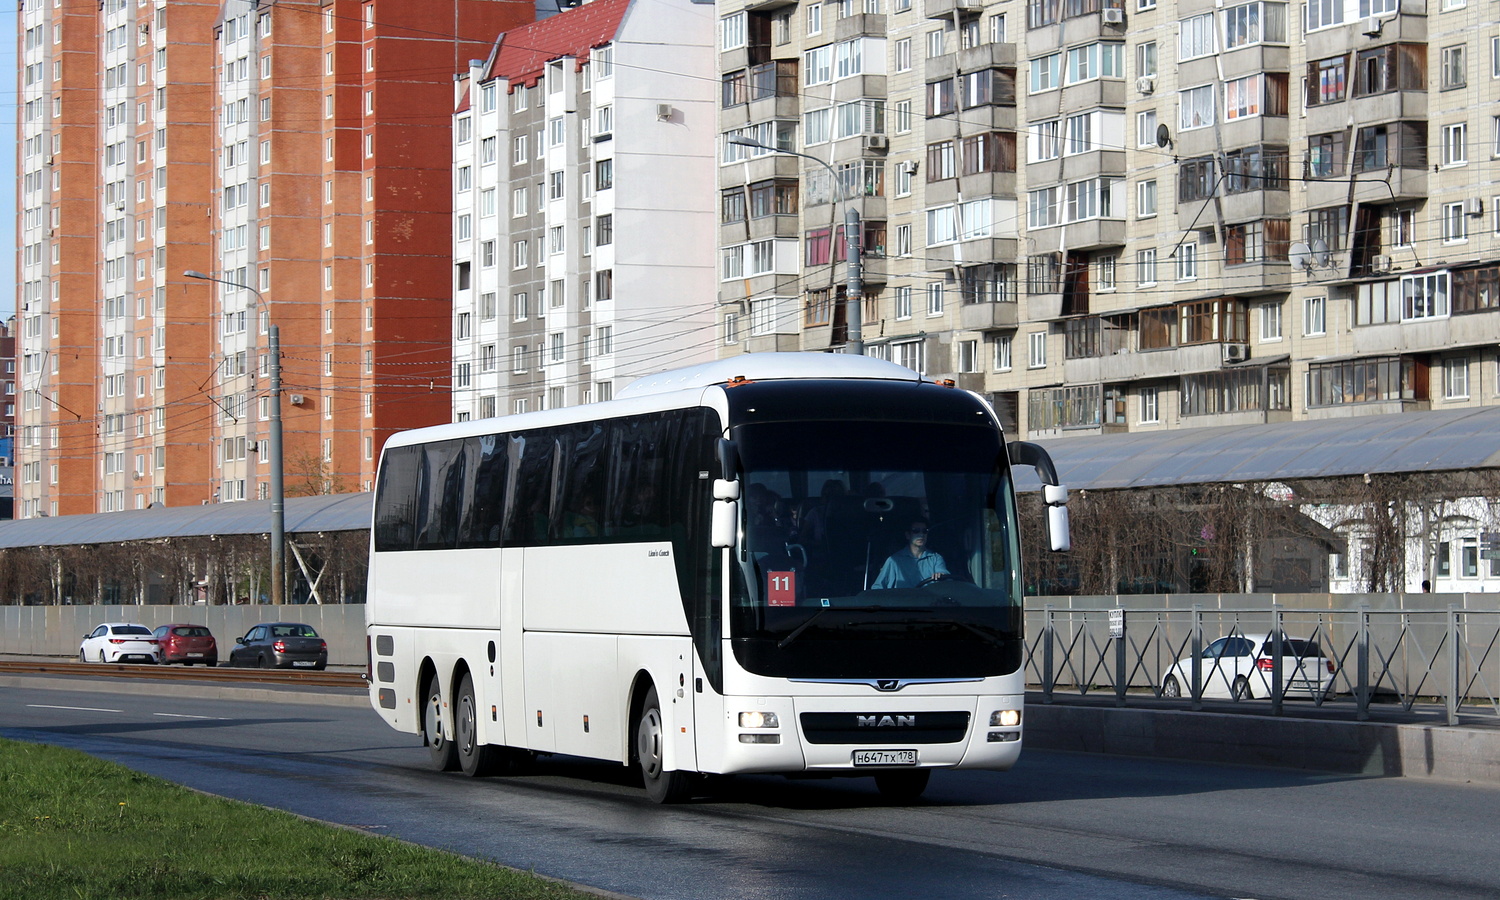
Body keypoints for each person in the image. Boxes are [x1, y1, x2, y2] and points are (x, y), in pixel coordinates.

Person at [872, 520, 949, 589]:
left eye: (924, 531)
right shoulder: (894, 560)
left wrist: (941, 575)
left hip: (929, 600)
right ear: (908, 535)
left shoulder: (936, 558)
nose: (921, 534)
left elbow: (945, 578)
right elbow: (877, 588)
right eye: (916, 531)